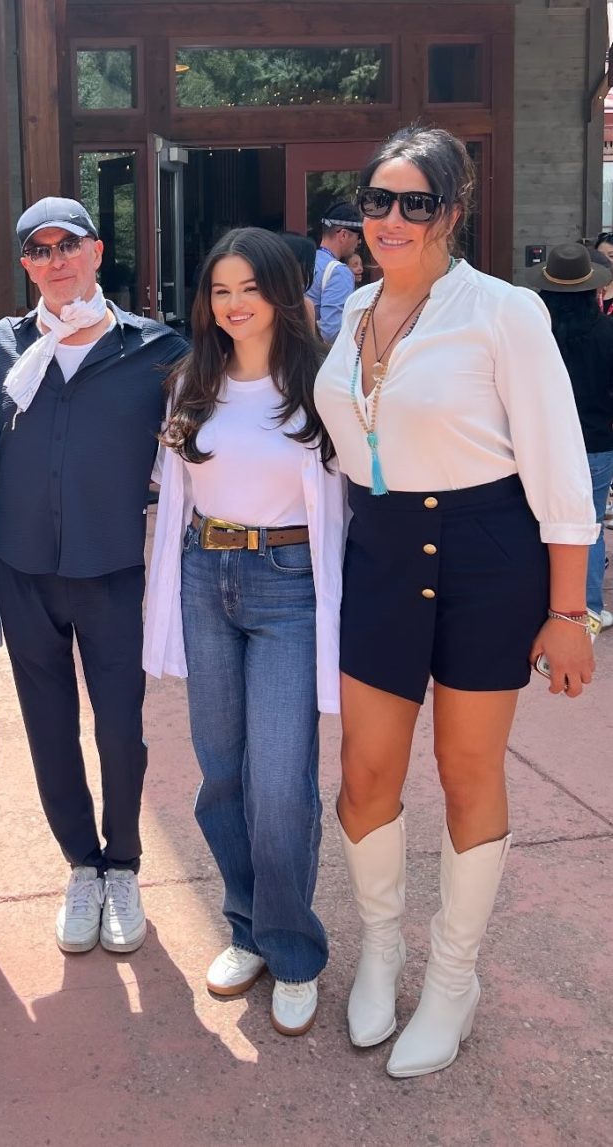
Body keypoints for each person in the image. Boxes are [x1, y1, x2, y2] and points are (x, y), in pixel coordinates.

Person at [315, 126, 597, 1078]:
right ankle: (381, 950)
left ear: (452, 211)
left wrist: (569, 612)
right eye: (376, 199)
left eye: (415, 202)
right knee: (365, 771)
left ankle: (451, 977)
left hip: (486, 554)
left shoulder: (505, 311)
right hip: (381, 551)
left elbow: (558, 462)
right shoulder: (354, 307)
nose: (390, 218)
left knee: (466, 768)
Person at [143, 228, 344, 1035]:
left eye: (248, 288)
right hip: (206, 577)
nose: (232, 304)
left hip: (290, 585)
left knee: (280, 781)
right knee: (221, 773)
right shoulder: (191, 380)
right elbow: (174, 494)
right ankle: (247, 925)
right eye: (219, 290)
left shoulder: (321, 384)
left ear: (282, 293)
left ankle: (292, 947)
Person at [0, 197, 188, 955]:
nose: (55, 260)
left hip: (109, 569)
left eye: (67, 244)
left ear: (97, 252)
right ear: (26, 265)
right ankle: (81, 863)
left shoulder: (156, 350)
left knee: (119, 726)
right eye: (38, 250)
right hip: (22, 568)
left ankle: (124, 862)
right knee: (48, 725)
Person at [532, 243, 613, 631]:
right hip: (595, 442)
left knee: (538, 524)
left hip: (538, 443)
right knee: (589, 527)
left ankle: (541, 604)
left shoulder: (533, 334)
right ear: (593, 288)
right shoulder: (607, 332)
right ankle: (589, 610)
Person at [307, 201, 363, 343]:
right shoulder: (339, 272)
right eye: (358, 236)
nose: (359, 242)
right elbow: (332, 333)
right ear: (343, 235)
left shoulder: (308, 261)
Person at [279, 230, 319, 334]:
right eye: (310, 264)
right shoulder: (303, 306)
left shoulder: (260, 300)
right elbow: (309, 342)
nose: (313, 270)